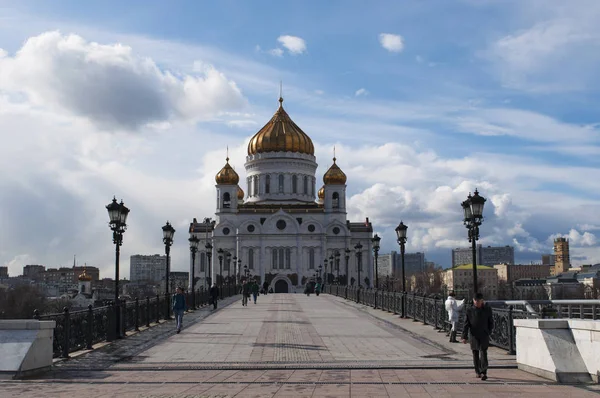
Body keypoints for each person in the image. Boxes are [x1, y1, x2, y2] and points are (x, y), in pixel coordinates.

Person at [462, 293, 494, 381]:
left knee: (483, 352)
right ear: (473, 300)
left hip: (484, 334)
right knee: (475, 353)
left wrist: (489, 331)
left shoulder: (487, 309)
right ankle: (477, 371)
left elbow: (491, 321)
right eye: (475, 301)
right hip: (473, 335)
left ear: (482, 301)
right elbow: (466, 324)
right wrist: (464, 336)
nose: (477, 302)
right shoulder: (469, 310)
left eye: (478, 301)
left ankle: (484, 372)